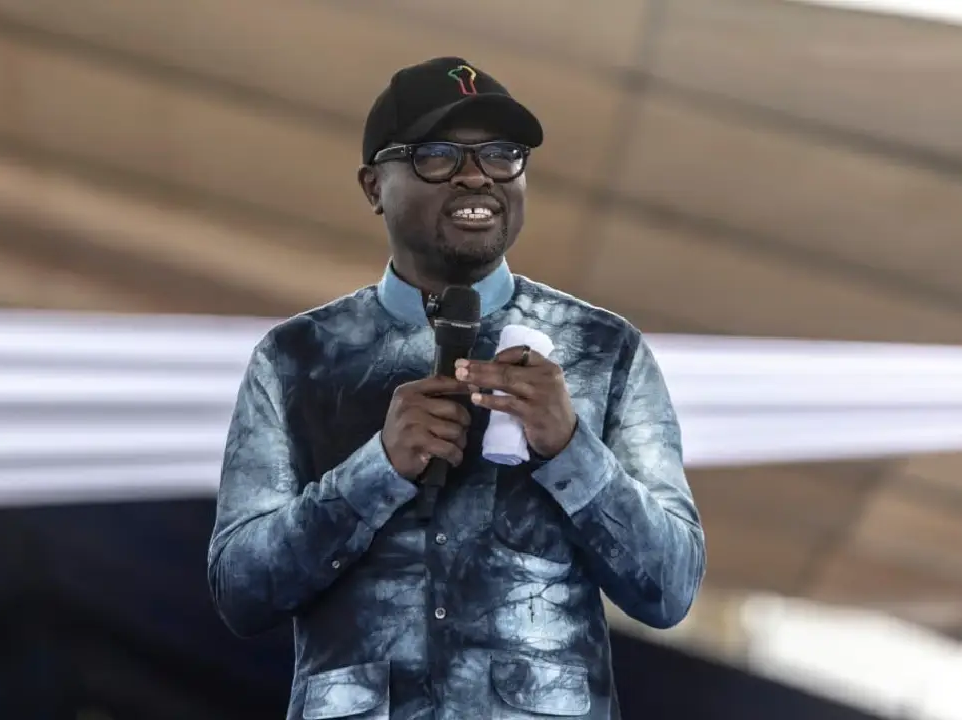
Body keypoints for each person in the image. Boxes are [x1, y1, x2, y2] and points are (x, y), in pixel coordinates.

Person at [208, 56, 705, 720]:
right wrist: (374, 472)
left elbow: (669, 590)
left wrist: (571, 450)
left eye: (503, 154)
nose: (477, 175)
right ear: (372, 186)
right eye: (438, 154)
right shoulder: (297, 360)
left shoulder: (604, 351)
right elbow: (241, 592)